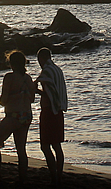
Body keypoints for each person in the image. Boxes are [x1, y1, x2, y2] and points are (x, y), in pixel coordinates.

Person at [0, 50, 35, 182]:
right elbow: (32, 99)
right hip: (27, 115)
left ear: (11, 64)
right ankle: (23, 178)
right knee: (21, 149)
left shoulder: (9, 77)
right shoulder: (28, 78)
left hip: (13, 115)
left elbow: (3, 100)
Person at [36, 47, 68, 187]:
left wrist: (35, 89)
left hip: (49, 111)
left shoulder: (47, 71)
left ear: (41, 59)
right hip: (58, 111)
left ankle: (54, 177)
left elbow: (48, 93)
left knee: (45, 145)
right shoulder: (58, 70)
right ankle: (59, 175)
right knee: (57, 145)